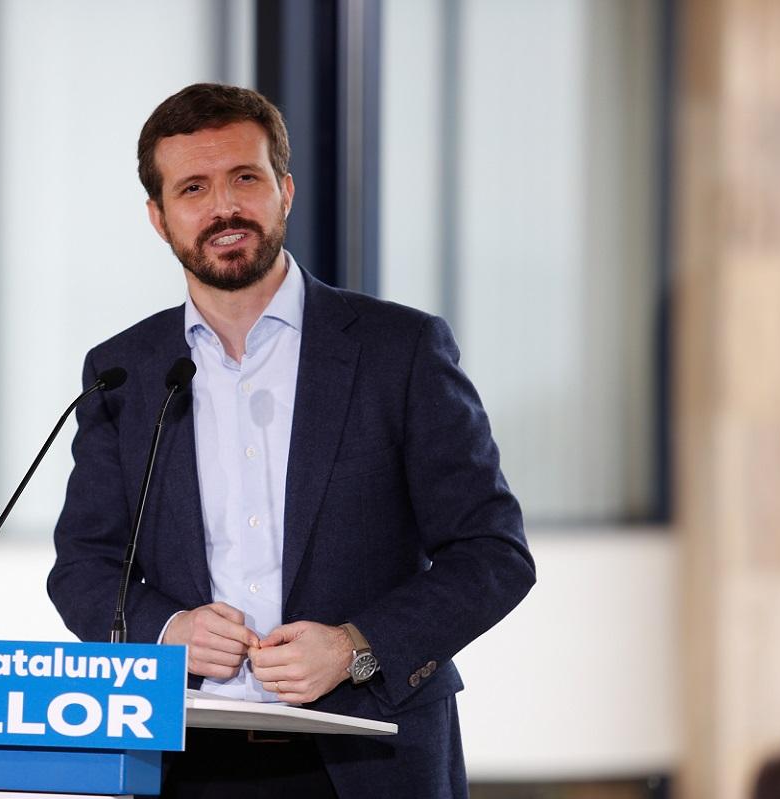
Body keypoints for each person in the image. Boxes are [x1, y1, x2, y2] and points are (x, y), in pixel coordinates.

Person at [47, 83, 536, 799]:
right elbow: (84, 566)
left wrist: (355, 648)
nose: (223, 208)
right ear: (159, 217)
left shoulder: (399, 350)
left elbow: (494, 553)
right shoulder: (123, 372)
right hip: (187, 761)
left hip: (370, 762)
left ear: (285, 189)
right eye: (193, 188)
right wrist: (167, 631)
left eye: (244, 178)